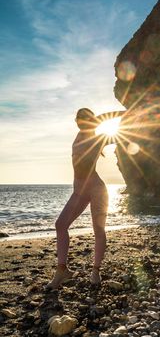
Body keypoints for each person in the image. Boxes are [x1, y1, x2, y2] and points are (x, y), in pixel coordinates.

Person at [46, 108, 125, 289]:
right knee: (61, 225)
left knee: (98, 229)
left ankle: (96, 271)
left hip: (97, 190)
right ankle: (62, 271)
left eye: (84, 118)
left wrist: (127, 112)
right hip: (79, 192)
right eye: (78, 118)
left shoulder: (99, 139)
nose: (79, 121)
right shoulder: (79, 135)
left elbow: (105, 118)